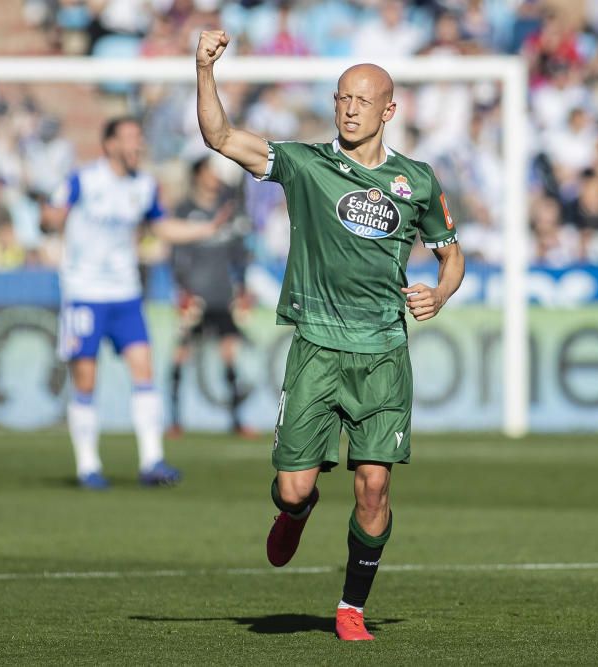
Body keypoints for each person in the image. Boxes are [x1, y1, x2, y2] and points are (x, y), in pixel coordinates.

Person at [195, 31, 465, 641]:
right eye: (342, 97)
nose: (348, 108)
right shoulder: (306, 163)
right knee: (294, 489)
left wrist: (440, 293)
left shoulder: (417, 181)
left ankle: (350, 607)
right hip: (316, 347)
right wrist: (204, 69)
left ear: (388, 110)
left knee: (374, 484)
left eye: (362, 100)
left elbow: (453, 256)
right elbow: (219, 136)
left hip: (384, 355)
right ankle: (296, 510)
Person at [44, 116, 220, 490]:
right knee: (86, 378)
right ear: (108, 144)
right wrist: (49, 219)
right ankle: (88, 466)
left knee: (143, 370)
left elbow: (161, 226)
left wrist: (202, 229)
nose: (136, 146)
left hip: (125, 294)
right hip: (85, 294)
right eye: (129, 139)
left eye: (139, 139)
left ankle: (152, 460)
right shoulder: (83, 180)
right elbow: (51, 213)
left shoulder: (144, 186)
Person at [168, 156, 254, 438]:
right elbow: (177, 255)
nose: (214, 177)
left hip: (221, 293)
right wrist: (183, 290)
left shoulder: (228, 209)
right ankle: (175, 420)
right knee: (181, 354)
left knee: (229, 356)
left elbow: (239, 254)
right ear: (197, 175)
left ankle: (236, 420)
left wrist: (241, 288)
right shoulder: (184, 210)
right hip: (194, 295)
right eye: (209, 171)